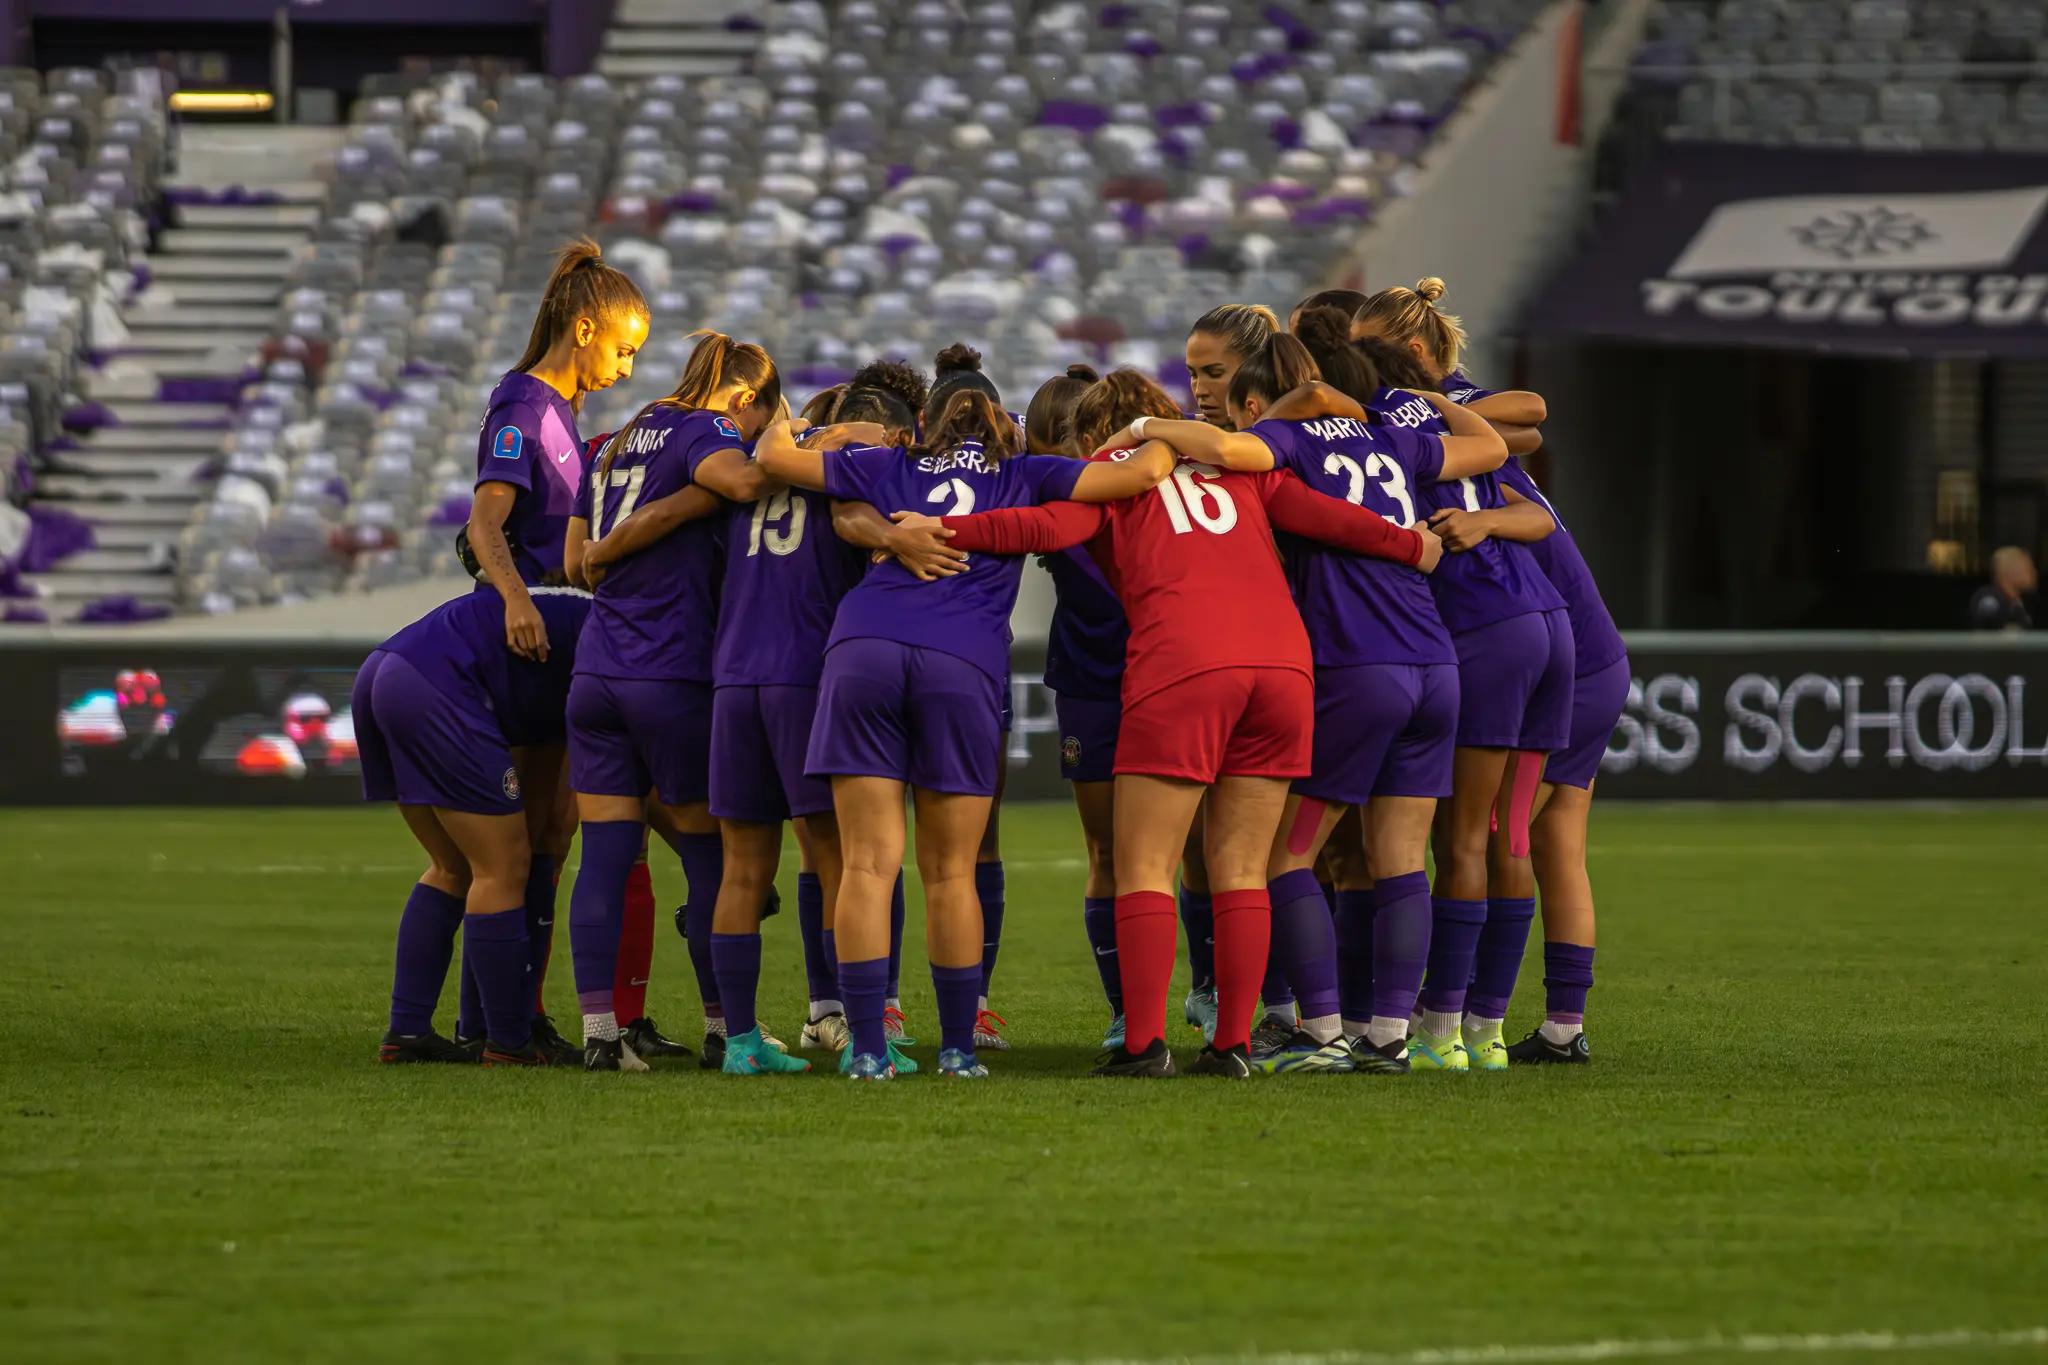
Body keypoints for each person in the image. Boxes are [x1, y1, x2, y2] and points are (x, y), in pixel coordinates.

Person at [910, 371, 1443, 1079]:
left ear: (1097, 433)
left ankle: (1143, 1044)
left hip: (1185, 661)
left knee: (1144, 867)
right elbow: (1330, 518)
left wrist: (940, 528)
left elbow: (1041, 526)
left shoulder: (1111, 472)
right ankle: (1232, 1045)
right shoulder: (1236, 464)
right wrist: (1412, 547)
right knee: (1244, 868)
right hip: (1284, 667)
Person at [753, 352, 1173, 1079]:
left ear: (926, 421)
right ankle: (956, 1049)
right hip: (962, 662)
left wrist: (845, 428)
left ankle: (868, 1052)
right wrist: (1161, 427)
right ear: (1002, 420)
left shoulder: (889, 466)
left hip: (863, 650)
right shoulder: (1026, 471)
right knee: (951, 872)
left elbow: (771, 453)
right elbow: (1140, 474)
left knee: (865, 864)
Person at [1132, 319, 1508, 1075]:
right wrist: (1407, 402)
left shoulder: (1289, 441)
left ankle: (1323, 1031)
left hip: (1355, 666)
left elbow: (1236, 451)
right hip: (1435, 667)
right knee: (1401, 855)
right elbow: (1495, 447)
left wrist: (1146, 424)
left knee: (1283, 853)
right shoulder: (1389, 441)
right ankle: (1392, 1038)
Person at [1352, 290, 1574, 1073]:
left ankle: (1442, 1026)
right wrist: (1483, 520)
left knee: (1461, 839)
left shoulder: (1376, 434)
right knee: (1510, 834)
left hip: (1485, 629)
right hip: (1549, 626)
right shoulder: (1445, 414)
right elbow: (1538, 513)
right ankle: (1486, 1031)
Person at [561, 331, 788, 1073]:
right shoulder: (710, 428)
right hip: (671, 670)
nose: (752, 439)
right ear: (745, 398)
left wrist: (631, 533)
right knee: (708, 856)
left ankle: (600, 1035)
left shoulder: (617, 437)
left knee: (604, 857)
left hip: (596, 670)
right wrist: (697, 497)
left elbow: (575, 562)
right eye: (759, 421)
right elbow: (746, 483)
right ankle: (728, 1029)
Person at [456, 238, 649, 1062]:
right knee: (523, 838)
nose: (627, 366)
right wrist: (513, 600)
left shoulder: (564, 415)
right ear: (582, 328)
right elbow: (484, 523)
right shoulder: (524, 405)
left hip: (562, 640)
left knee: (551, 832)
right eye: (621, 347)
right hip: (525, 640)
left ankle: (514, 1017)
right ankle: (498, 1021)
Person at [358, 585, 593, 1067]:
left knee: (452, 866)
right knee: (503, 867)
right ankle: (508, 1042)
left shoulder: (580, 614)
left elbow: (549, 793)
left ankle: (408, 1030)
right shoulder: (626, 634)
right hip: (435, 683)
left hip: (388, 668)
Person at [1023, 363, 1153, 1049]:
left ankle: (1208, 992)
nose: (1060, 460)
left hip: (1166, 675)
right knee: (1106, 849)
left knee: (1187, 850)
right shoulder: (1049, 497)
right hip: (1089, 682)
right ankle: (1125, 1010)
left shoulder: (1155, 486)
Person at [1177, 302, 1284, 1040]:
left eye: (1213, 372)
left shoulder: (1273, 447)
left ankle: (1289, 1006)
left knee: (1276, 852)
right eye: (1191, 373)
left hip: (1290, 666)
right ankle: (1216, 989)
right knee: (1199, 849)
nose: (1199, 388)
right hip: (1227, 667)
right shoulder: (1198, 448)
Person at [1970, 547, 2036, 631]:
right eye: (2027, 568)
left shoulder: (2018, 603)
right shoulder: (1990, 598)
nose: (2034, 572)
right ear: (2011, 571)